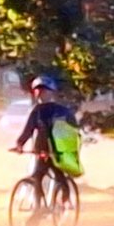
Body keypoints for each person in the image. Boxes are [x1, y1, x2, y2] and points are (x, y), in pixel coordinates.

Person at [11, 74, 78, 204]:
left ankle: (64, 200)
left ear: (52, 92)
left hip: (58, 151)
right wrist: (20, 144)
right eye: (38, 91)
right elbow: (28, 130)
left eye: (44, 91)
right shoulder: (37, 111)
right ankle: (38, 206)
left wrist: (69, 149)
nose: (41, 94)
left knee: (59, 176)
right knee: (37, 177)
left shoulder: (62, 111)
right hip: (41, 151)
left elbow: (73, 132)